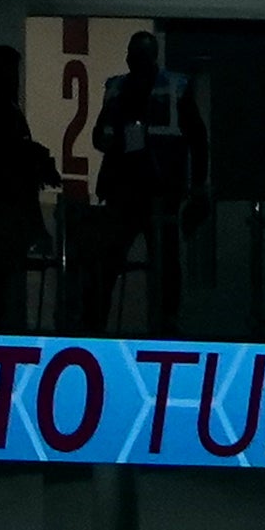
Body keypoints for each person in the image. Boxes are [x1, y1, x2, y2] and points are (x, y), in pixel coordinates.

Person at [90, 30, 203, 324]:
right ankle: (97, 320)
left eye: (139, 53)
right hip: (122, 187)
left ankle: (167, 320)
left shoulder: (176, 86)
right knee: (107, 259)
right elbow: (98, 134)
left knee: (165, 260)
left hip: (161, 188)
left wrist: (198, 188)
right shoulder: (116, 88)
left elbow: (198, 139)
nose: (133, 59)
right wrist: (111, 141)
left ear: (152, 56)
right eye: (131, 53)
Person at [0, 37, 53, 322]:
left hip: (5, 197)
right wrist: (31, 156)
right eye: (11, 69)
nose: (15, 76)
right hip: (1, 198)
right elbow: (3, 151)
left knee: (2, 269)